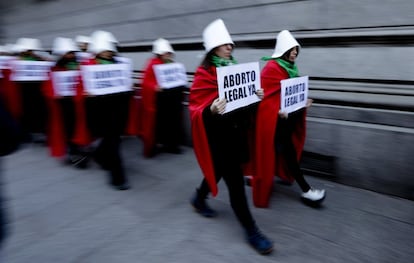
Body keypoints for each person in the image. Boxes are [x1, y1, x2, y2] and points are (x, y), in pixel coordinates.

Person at [189, 19, 273, 255]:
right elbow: (196, 108)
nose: (230, 47)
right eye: (225, 44)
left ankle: (198, 198)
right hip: (219, 139)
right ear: (213, 48)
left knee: (216, 171)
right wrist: (211, 110)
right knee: (236, 186)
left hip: (237, 135)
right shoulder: (204, 75)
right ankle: (252, 231)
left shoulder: (237, 69)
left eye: (230, 44)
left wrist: (256, 97)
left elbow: (245, 107)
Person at [252, 30, 326, 208]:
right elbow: (264, 98)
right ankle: (307, 190)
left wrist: (303, 101)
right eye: (291, 49)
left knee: (283, 152)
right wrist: (276, 110)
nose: (295, 53)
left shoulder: (291, 68)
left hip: (286, 123)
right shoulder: (272, 68)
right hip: (275, 123)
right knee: (288, 153)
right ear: (283, 50)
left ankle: (261, 176)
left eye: (296, 50)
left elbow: (290, 94)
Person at [80, 30, 133, 190]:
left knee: (114, 140)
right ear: (97, 50)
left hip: (118, 108)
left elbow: (126, 84)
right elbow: (81, 87)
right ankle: (118, 177)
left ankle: (99, 155)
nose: (109, 52)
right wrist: (86, 92)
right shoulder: (89, 65)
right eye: (105, 50)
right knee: (112, 142)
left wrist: (128, 87)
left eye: (110, 50)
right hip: (100, 109)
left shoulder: (120, 64)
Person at [43, 37, 89, 168]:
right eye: (68, 53)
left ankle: (80, 149)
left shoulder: (81, 66)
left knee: (80, 127)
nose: (71, 55)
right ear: (61, 55)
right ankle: (74, 153)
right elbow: (47, 87)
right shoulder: (55, 69)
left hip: (79, 102)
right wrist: (54, 94)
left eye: (73, 53)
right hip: (64, 105)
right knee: (69, 129)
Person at [140, 38, 184, 157]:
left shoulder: (172, 64)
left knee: (171, 123)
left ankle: (171, 145)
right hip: (158, 100)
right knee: (156, 126)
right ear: (159, 54)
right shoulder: (152, 63)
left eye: (169, 53)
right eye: (166, 53)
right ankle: (153, 147)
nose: (168, 55)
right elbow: (146, 82)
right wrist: (154, 86)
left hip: (170, 99)